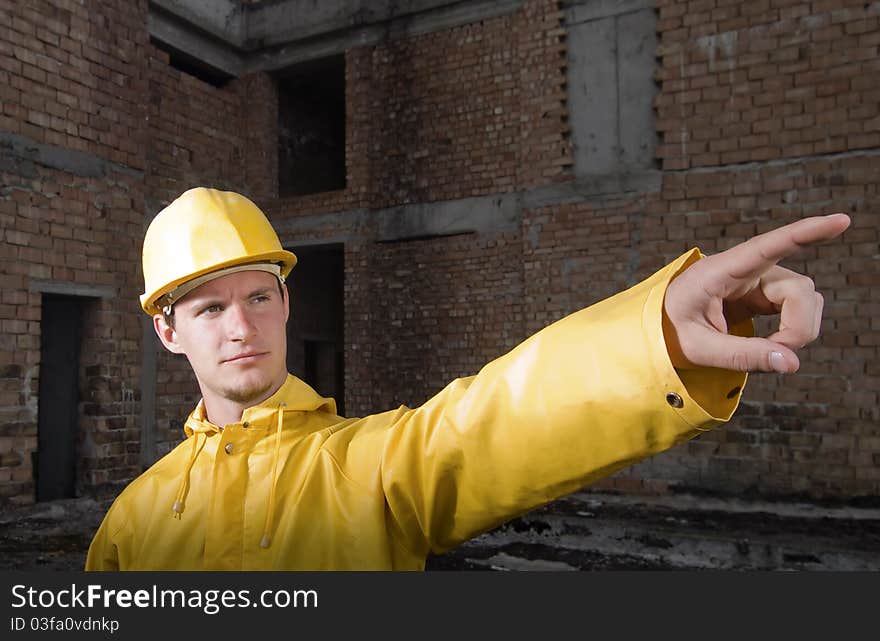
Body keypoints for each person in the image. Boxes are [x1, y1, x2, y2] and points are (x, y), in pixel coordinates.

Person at [85, 187, 850, 570]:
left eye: (257, 297)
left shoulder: (373, 467)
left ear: (286, 301)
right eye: (210, 308)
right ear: (168, 331)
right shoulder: (130, 523)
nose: (242, 327)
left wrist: (652, 337)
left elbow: (498, 420)